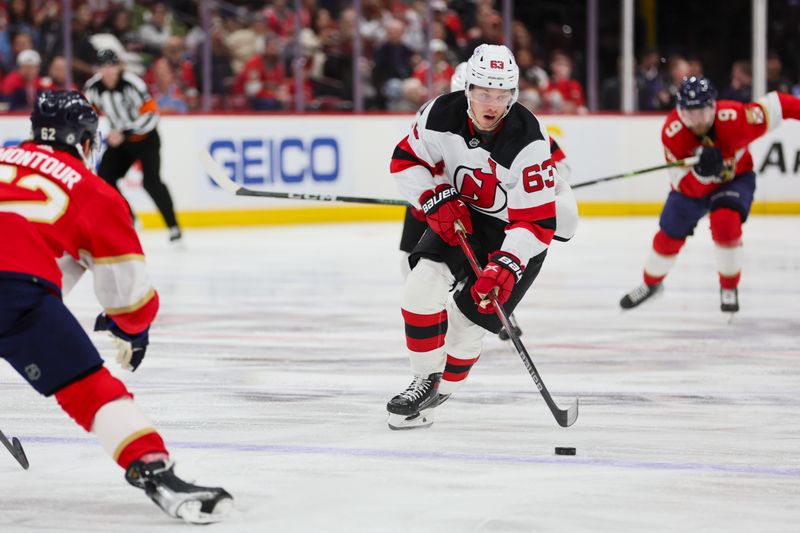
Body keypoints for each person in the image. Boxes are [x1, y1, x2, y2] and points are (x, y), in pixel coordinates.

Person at [0, 90, 231, 522]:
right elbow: (127, 293)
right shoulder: (93, 190)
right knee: (88, 387)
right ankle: (154, 471)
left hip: (17, 286)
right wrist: (132, 327)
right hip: (16, 293)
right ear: (86, 141)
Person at [387, 45, 576, 429]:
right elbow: (406, 161)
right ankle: (424, 379)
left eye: (502, 94)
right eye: (484, 93)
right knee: (420, 287)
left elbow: (536, 224)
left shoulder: (529, 142)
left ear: (514, 95)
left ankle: (442, 391)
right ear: (468, 89)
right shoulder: (440, 113)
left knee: (465, 325)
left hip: (516, 234)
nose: (492, 103)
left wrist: (507, 265)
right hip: (465, 216)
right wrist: (432, 197)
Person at [397, 60, 576, 342]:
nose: (486, 108)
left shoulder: (524, 133)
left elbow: (558, 166)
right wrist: (429, 196)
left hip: (480, 209)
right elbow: (415, 161)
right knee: (415, 265)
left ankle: (474, 311)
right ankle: (429, 319)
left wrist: (543, 186)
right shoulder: (436, 114)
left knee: (483, 267)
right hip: (439, 203)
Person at [619, 76, 800, 314]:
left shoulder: (735, 118)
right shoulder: (673, 133)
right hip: (691, 191)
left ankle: (729, 287)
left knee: (725, 221)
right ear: (681, 111)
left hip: (735, 180)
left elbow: (779, 104)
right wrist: (702, 175)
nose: (699, 120)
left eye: (703, 111)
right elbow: (681, 183)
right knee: (668, 234)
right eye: (691, 113)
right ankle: (651, 285)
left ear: (713, 106)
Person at [83, 49, 182, 242]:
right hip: (121, 141)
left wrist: (125, 132)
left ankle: (173, 227)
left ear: (119, 66)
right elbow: (88, 115)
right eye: (104, 66)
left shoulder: (133, 84)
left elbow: (151, 115)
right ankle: (130, 218)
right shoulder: (93, 87)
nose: (108, 71)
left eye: (112, 66)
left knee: (152, 182)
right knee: (105, 179)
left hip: (146, 139)